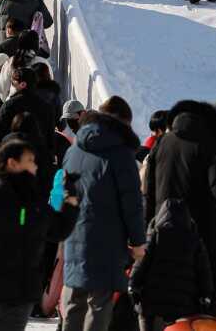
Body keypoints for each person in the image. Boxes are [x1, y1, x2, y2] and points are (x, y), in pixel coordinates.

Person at [0, 139, 79, 331]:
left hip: (20, 297)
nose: (35, 165)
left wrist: (70, 203)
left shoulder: (35, 204)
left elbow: (58, 230)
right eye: (30, 160)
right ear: (12, 163)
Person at [61, 96, 147, 331]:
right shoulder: (121, 154)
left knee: (73, 303)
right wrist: (138, 242)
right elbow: (132, 202)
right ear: (123, 123)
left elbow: (63, 193)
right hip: (106, 240)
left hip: (73, 235)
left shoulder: (74, 148)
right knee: (99, 305)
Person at [144, 100, 216, 308]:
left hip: (162, 238)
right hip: (203, 244)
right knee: (202, 313)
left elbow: (149, 194)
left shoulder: (163, 142)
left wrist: (146, 234)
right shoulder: (215, 145)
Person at [129, 199, 215, 331]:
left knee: (145, 319)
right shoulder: (194, 240)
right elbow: (204, 271)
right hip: (184, 303)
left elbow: (141, 262)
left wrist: (133, 285)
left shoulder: (155, 235)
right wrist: (206, 294)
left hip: (153, 300)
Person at [0, 67, 55, 167]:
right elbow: (50, 134)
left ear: (23, 84)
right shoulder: (47, 106)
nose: (11, 86)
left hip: (14, 157)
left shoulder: (10, 105)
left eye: (13, 83)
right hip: (39, 159)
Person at [0, 30, 50, 101]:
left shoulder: (10, 62)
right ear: (36, 44)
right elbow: (50, 85)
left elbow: (2, 89)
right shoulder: (43, 62)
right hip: (40, 105)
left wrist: (9, 100)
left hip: (15, 104)